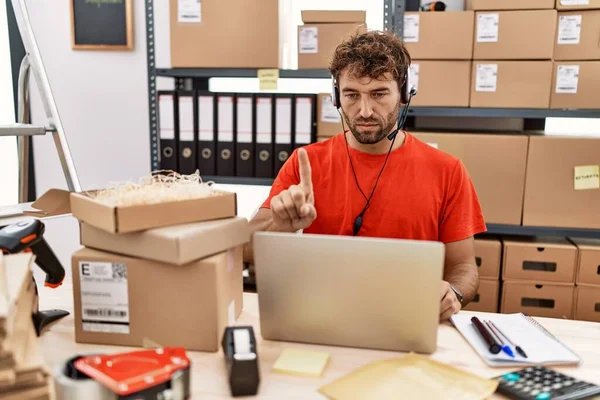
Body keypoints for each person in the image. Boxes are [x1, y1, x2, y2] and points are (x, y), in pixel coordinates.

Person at [243, 30, 487, 321]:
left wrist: (454, 294)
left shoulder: (447, 171)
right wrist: (281, 226)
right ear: (336, 97)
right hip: (320, 320)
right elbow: (246, 249)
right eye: (351, 95)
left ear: (405, 93)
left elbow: (464, 267)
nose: (365, 110)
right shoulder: (305, 163)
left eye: (379, 94)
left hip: (408, 321)